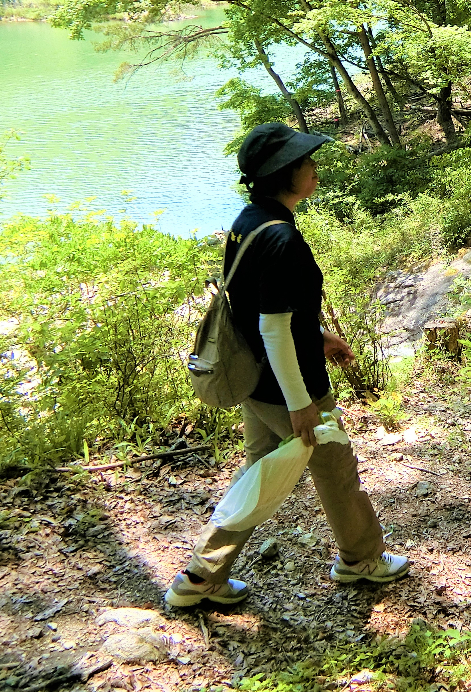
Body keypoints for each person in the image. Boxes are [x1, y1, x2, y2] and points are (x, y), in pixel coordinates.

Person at [165, 122, 409, 607]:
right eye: (306, 164)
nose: (314, 170)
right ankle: (362, 559)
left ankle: (201, 576)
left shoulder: (247, 222)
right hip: (288, 387)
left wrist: (318, 336)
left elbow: (265, 311)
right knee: (336, 468)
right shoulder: (284, 242)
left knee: (257, 472)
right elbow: (274, 328)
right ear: (285, 173)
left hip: (256, 381)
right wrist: (301, 404)